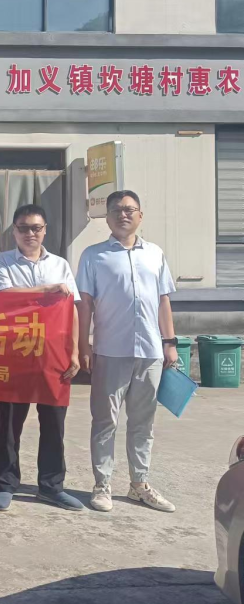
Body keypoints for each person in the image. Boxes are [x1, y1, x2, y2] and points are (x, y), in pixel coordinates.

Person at [77, 190, 178, 514]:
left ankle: (139, 484)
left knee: (143, 422)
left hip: (150, 352)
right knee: (105, 421)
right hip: (110, 350)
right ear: (107, 218)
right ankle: (102, 484)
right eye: (117, 210)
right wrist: (83, 345)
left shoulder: (155, 254)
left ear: (140, 216)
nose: (124, 215)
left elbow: (163, 300)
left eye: (130, 210)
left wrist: (170, 342)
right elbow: (85, 304)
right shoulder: (93, 256)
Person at [0, 205, 83, 512]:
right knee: (8, 423)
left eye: (36, 228)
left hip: (53, 354)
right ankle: (6, 483)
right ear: (14, 231)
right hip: (15, 352)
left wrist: (75, 350)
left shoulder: (59, 264)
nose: (30, 233)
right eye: (24, 228)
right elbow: (3, 296)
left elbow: (72, 309)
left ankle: (51, 486)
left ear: (45, 230)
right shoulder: (2, 261)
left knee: (54, 423)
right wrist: (47, 289)